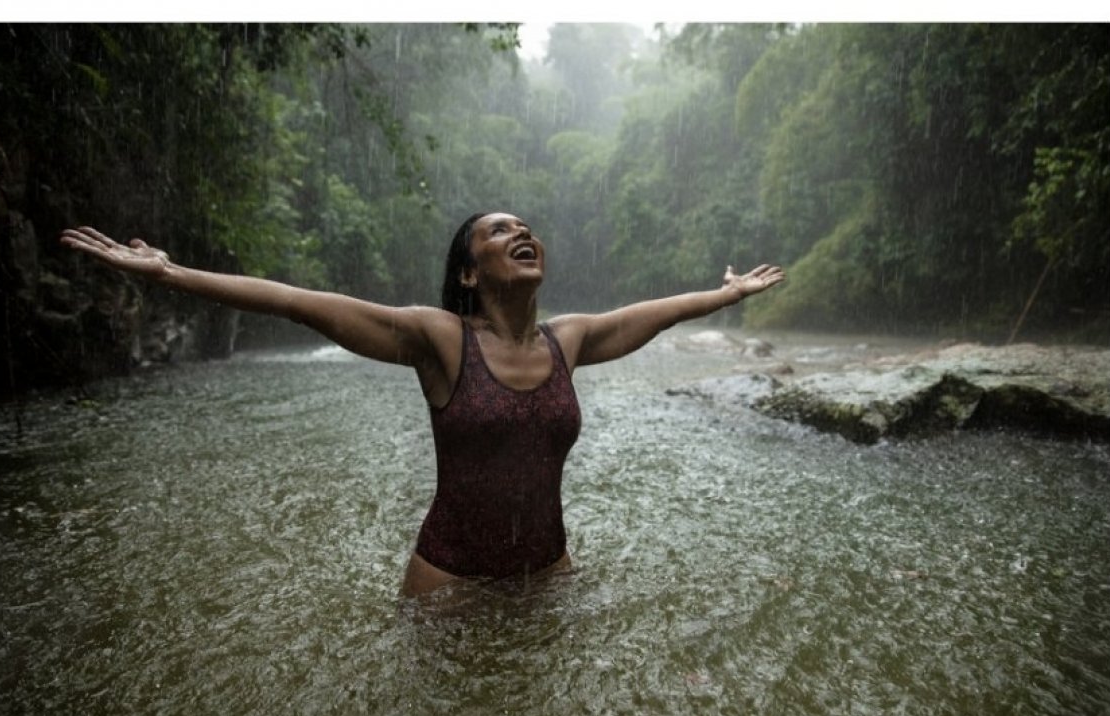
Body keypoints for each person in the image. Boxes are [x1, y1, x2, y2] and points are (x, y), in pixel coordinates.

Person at [60, 213, 784, 597]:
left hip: (549, 575)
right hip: (450, 585)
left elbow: (652, 313)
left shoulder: (570, 340)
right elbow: (299, 303)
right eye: (500, 231)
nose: (522, 233)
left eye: (525, 227)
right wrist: (170, 273)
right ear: (470, 273)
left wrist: (726, 295)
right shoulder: (439, 339)